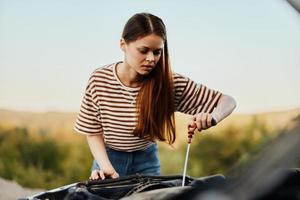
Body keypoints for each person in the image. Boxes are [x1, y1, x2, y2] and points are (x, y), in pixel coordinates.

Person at [74, 12, 236, 180]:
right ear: (123, 44)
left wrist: (214, 117)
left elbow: (228, 101)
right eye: (143, 50)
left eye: (157, 52)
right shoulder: (99, 79)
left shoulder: (169, 83)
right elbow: (93, 132)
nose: (151, 59)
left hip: (146, 161)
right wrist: (106, 168)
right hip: (107, 158)